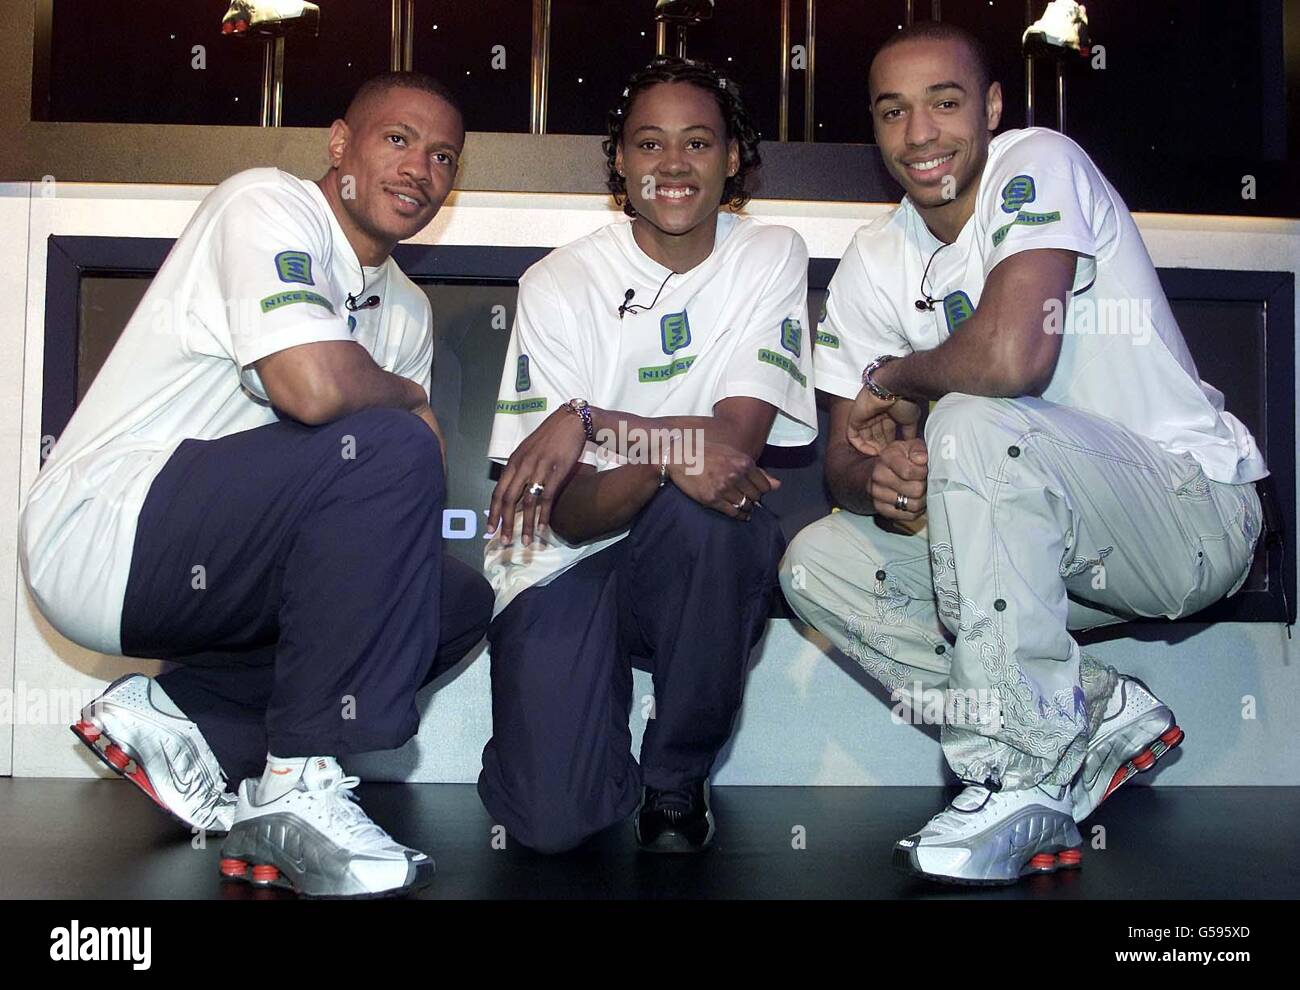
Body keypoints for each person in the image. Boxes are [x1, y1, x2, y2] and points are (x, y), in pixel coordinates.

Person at [779, 22, 1265, 885]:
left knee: (974, 421)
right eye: (894, 112)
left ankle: (1016, 768)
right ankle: (1091, 710)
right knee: (818, 562)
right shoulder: (876, 259)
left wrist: (898, 380)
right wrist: (882, 481)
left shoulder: (1037, 160)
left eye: (946, 102)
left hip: (1190, 515)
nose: (920, 133)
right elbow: (842, 465)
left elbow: (1011, 357)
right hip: (1038, 542)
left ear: (993, 108)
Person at [19, 71, 493, 898]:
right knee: (385, 444)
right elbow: (311, 386)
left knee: (450, 603)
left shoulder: (406, 312)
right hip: (107, 533)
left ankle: (192, 721)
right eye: (397, 140)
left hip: (220, 575)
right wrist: (410, 396)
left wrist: (392, 405)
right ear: (339, 144)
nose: (421, 168)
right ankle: (295, 784)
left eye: (443, 156)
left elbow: (381, 533)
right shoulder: (268, 204)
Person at [479, 56, 817, 854]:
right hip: (563, 557)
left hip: (686, 547)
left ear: (732, 158)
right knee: (555, 823)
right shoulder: (558, 283)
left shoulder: (769, 253)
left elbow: (731, 452)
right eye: (648, 144)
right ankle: (562, 752)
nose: (672, 165)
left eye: (697, 143)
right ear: (621, 162)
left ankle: (675, 778)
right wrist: (667, 452)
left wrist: (590, 421)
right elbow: (565, 509)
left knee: (719, 523)